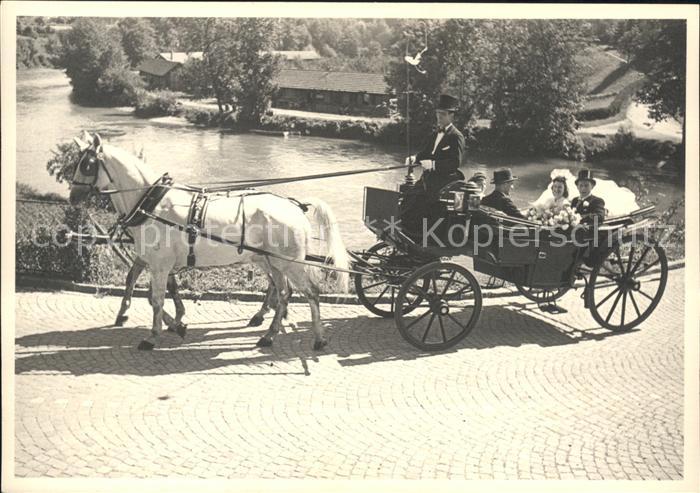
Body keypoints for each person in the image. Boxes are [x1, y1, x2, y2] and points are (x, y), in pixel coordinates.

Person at [400, 94, 466, 239]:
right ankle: (408, 237)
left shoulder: (456, 137)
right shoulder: (435, 134)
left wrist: (434, 164)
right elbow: (425, 153)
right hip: (428, 180)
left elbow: (455, 163)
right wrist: (415, 158)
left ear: (451, 115)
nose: (439, 117)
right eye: (437, 114)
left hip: (443, 183)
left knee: (418, 204)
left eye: (442, 114)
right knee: (406, 200)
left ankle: (420, 238)